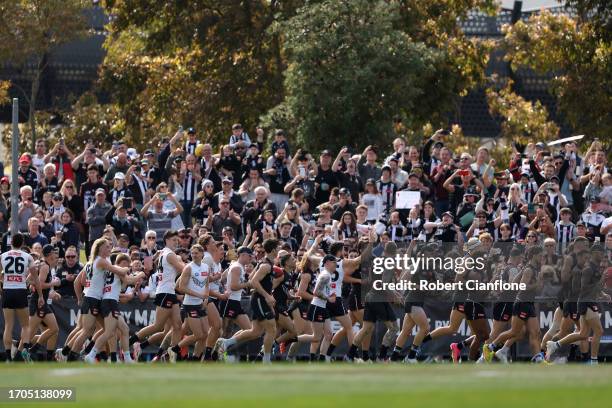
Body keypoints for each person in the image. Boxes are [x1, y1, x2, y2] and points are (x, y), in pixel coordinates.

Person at [216, 239, 280, 363]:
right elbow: (252, 282)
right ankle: (266, 360)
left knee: (255, 332)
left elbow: (251, 278)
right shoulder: (263, 265)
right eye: (278, 248)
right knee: (271, 329)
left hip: (248, 300)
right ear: (273, 250)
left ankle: (226, 343)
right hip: (251, 300)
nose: (251, 257)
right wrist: (267, 295)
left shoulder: (261, 264)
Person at [129, 230, 186, 363]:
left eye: (177, 240)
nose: (176, 242)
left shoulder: (163, 253)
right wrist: (191, 263)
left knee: (177, 326)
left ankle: (172, 354)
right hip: (165, 292)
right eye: (173, 240)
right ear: (166, 240)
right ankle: (130, 342)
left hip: (169, 292)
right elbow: (183, 269)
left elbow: (147, 265)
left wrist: (154, 255)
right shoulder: (170, 254)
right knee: (158, 326)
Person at [1, 233, 42, 361]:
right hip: (20, 291)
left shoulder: (2, 256)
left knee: (8, 325)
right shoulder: (28, 256)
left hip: (7, 291)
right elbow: (36, 279)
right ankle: (25, 349)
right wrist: (40, 295)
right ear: (23, 243)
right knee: (25, 325)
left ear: (11, 243)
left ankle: (8, 356)